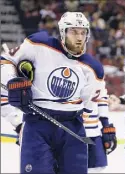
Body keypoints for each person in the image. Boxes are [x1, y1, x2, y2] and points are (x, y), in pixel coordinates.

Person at [0, 12, 105, 173]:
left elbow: (88, 107)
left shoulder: (94, 69)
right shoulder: (38, 44)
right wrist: (12, 81)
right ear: (63, 32)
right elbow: (6, 61)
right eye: (74, 32)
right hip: (37, 125)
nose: (79, 37)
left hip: (72, 129)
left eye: (83, 33)